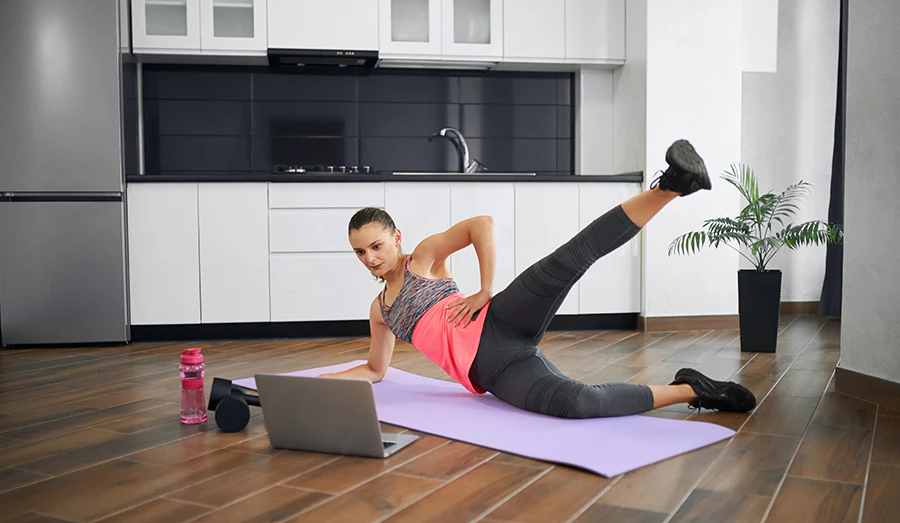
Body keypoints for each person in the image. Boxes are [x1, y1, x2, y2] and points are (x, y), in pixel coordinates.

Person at [320, 140, 757, 418]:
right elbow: (376, 371)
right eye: (360, 251)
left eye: (377, 246)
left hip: (500, 319)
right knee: (578, 403)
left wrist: (486, 289)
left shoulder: (425, 258)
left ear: (396, 238)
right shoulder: (381, 312)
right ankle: (691, 388)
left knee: (570, 259)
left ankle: (673, 185)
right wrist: (314, 384)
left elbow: (481, 224)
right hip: (494, 369)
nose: (370, 258)